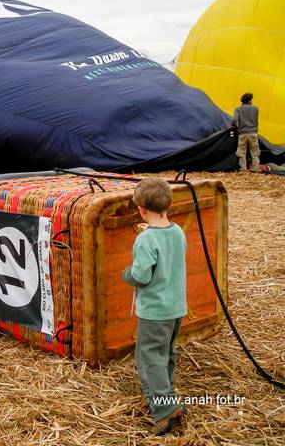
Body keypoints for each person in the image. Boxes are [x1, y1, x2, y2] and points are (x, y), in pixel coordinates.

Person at [122, 178, 187, 435]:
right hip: (175, 308)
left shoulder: (146, 240)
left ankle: (164, 410)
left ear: (141, 209)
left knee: (150, 359)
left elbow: (141, 276)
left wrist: (126, 273)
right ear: (168, 204)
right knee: (166, 354)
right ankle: (169, 396)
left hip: (154, 312)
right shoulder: (177, 230)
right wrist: (148, 232)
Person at [231, 92, 259, 171]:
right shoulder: (256, 108)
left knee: (242, 152)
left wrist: (234, 126)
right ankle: (255, 168)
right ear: (249, 100)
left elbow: (234, 120)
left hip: (242, 133)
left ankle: (243, 168)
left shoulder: (238, 109)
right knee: (254, 151)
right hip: (253, 133)